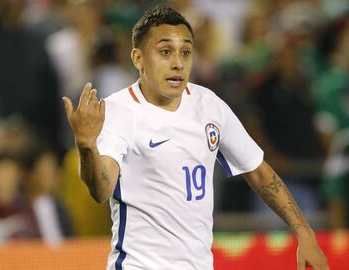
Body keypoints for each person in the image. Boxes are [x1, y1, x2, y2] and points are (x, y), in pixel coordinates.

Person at [62, 5, 329, 270]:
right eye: (165, 51)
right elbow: (101, 190)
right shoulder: (119, 112)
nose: (177, 63)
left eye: (186, 52)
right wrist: (87, 147)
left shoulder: (209, 106)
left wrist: (304, 231)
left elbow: (259, 172)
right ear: (138, 58)